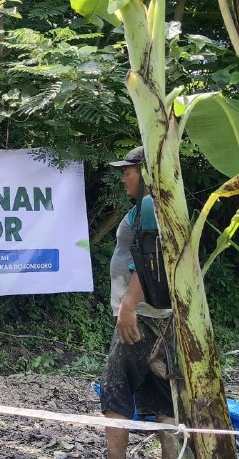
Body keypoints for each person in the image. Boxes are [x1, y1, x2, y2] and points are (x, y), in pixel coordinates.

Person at [100, 146, 177, 459]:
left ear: (145, 172)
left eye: (128, 171)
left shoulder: (148, 205)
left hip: (141, 317)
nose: (123, 178)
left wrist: (128, 306)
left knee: (115, 397)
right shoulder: (158, 205)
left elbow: (149, 260)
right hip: (162, 319)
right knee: (163, 403)